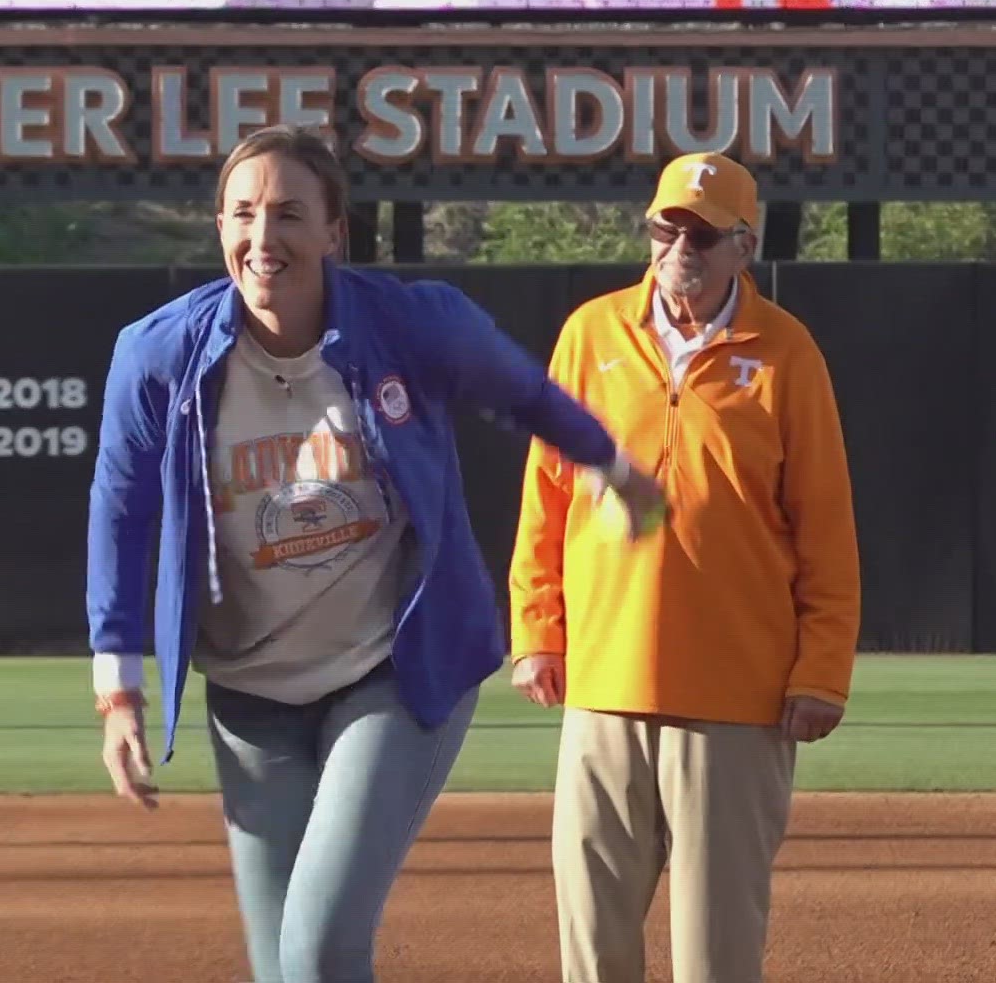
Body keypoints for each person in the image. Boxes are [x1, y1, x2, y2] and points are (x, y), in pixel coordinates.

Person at [84, 123, 666, 983]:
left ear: (332, 232)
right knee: (280, 967)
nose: (262, 237)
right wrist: (117, 691)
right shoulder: (160, 354)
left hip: (394, 667)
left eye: (288, 213)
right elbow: (119, 508)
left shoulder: (407, 324)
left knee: (317, 947)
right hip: (250, 695)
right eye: (241, 214)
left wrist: (616, 470)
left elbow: (524, 392)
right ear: (218, 229)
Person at [507, 151, 861, 983]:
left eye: (704, 234)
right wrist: (536, 630)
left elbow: (826, 524)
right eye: (669, 227)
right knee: (592, 942)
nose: (681, 248)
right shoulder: (591, 334)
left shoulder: (785, 352)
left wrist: (823, 670)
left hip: (736, 694)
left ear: (745, 245)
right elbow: (545, 496)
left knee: (716, 953)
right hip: (603, 679)